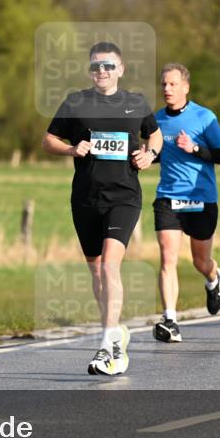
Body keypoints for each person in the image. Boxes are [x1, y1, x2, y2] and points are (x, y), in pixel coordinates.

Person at [43, 41, 163, 375]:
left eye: (109, 66)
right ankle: (116, 332)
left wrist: (150, 155)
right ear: (90, 70)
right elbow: (47, 140)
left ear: (121, 70)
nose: (102, 71)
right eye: (97, 66)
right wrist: (71, 149)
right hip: (85, 199)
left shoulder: (135, 103)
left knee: (110, 267)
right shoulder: (75, 102)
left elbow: (156, 136)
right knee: (97, 273)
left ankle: (108, 347)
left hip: (124, 197)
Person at [151, 63, 220, 343]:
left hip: (200, 198)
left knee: (200, 261)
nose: (167, 89)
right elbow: (156, 152)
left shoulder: (204, 117)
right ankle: (170, 320)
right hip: (168, 196)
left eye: (172, 84)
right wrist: (144, 156)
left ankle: (213, 278)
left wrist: (194, 148)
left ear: (186, 87)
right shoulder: (156, 120)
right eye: (163, 84)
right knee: (167, 258)